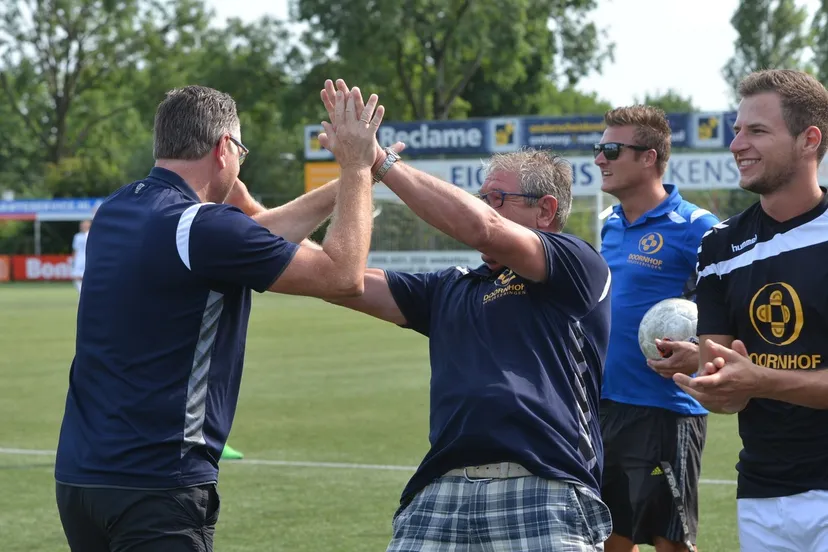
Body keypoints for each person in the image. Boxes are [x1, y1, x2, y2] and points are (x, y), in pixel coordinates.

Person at [53, 83, 386, 552]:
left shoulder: (118, 209)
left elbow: (253, 237)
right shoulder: (202, 227)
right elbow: (343, 275)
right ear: (223, 148)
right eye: (242, 150)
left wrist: (368, 171)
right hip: (157, 483)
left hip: (81, 480)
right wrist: (354, 166)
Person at [319, 79, 613, 551]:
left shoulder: (576, 263)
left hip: (543, 487)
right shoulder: (451, 286)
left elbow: (485, 229)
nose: (484, 206)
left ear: (546, 210)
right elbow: (339, 279)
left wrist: (378, 160)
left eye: (497, 197)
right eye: (482, 195)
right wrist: (247, 232)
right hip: (440, 491)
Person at [674, 68, 828, 552]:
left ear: (809, 140)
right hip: (761, 493)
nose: (737, 143)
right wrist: (707, 380)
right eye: (737, 130)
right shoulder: (719, 246)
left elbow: (753, 379)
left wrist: (760, 378)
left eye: (757, 130)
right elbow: (726, 388)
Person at [595, 106, 719, 552]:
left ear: (649, 158)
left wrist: (699, 349)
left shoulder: (698, 228)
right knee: (610, 538)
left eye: (611, 149)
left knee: (671, 542)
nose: (599, 159)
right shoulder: (609, 224)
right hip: (606, 405)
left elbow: (737, 302)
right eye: (599, 149)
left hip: (667, 409)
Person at [70, 220, 91, 293]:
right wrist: (73, 260)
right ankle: (82, 293)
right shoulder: (77, 236)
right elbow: (75, 249)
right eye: (83, 225)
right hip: (79, 259)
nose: (84, 226)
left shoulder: (91, 235)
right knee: (76, 277)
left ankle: (85, 294)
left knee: (86, 278)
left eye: (86, 225)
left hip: (88, 259)